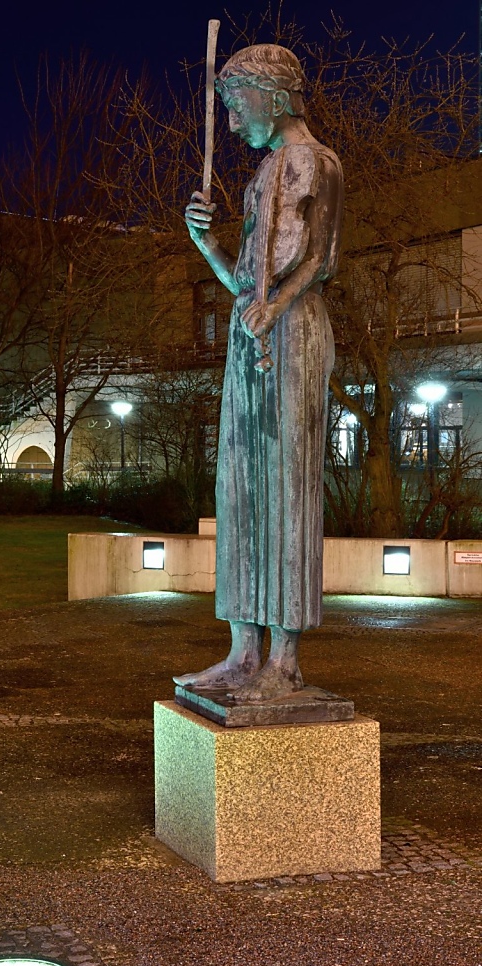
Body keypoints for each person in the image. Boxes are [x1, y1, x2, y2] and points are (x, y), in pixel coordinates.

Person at [175, 44, 343, 701]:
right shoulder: (263, 173)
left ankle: (284, 660)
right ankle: (243, 653)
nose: (233, 120)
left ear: (272, 95)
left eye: (235, 103)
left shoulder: (317, 163)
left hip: (293, 334)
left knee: (286, 487)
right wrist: (206, 244)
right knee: (240, 487)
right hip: (253, 337)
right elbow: (244, 287)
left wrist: (273, 308)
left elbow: (322, 260)